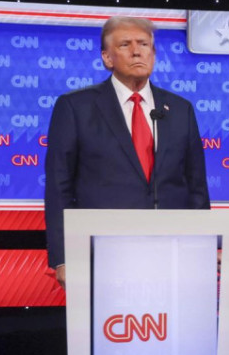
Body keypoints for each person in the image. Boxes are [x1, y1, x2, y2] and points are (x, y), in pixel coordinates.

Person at [44, 16, 211, 287]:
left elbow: (196, 185)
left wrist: (204, 245)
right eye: (125, 44)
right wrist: (63, 257)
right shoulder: (75, 107)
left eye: (144, 44)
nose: (137, 51)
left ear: (154, 54)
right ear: (107, 58)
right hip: (102, 252)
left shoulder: (180, 109)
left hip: (171, 252)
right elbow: (59, 186)